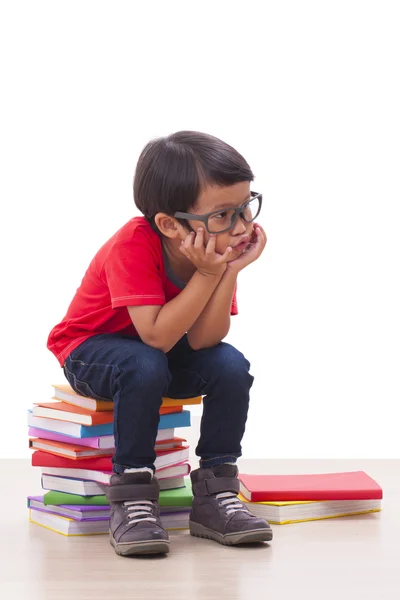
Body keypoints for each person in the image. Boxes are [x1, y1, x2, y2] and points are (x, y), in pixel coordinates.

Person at [47, 130, 272, 556]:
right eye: (224, 215)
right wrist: (209, 275)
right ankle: (133, 492)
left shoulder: (213, 252)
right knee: (143, 363)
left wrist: (229, 272)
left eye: (246, 208)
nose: (242, 227)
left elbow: (206, 339)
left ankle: (215, 492)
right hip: (91, 351)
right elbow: (155, 334)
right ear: (170, 224)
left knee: (230, 366)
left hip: (155, 356)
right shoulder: (133, 244)